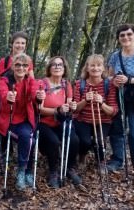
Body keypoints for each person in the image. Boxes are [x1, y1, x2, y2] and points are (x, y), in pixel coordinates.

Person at [108, 23, 134, 188]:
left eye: (129, 34)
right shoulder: (115, 56)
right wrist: (115, 81)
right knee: (116, 130)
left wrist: (131, 80)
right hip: (118, 97)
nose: (125, 37)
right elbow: (109, 77)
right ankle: (117, 159)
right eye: (122, 35)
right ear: (118, 38)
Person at [0, 53, 41, 191]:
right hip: (9, 120)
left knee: (28, 137)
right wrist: (8, 96)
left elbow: (34, 94)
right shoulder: (5, 81)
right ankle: (25, 171)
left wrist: (39, 97)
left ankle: (23, 170)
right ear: (13, 66)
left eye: (25, 65)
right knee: (28, 139)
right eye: (18, 65)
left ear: (28, 68)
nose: (21, 68)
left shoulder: (31, 81)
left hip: (25, 120)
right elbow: (3, 94)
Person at [37, 56, 81, 188]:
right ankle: (53, 172)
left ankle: (69, 168)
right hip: (44, 122)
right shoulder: (42, 84)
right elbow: (39, 109)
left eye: (60, 65)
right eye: (54, 65)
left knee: (74, 140)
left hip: (61, 121)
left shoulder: (66, 85)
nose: (57, 67)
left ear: (64, 68)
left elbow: (68, 106)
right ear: (49, 68)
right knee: (53, 141)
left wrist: (71, 107)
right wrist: (57, 110)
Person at [0, 31, 35, 163]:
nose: (20, 45)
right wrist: (5, 92)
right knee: (2, 120)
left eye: (23, 43)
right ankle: (5, 151)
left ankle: (20, 154)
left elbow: (32, 79)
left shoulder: (28, 60)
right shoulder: (4, 61)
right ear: (12, 44)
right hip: (5, 95)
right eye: (17, 42)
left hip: (22, 96)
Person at [73, 54, 118, 174]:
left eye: (99, 65)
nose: (95, 68)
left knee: (100, 140)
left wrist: (102, 103)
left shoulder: (109, 85)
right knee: (85, 141)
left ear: (103, 68)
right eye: (92, 65)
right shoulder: (79, 84)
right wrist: (85, 100)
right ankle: (82, 156)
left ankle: (101, 161)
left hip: (103, 120)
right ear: (87, 68)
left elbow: (113, 111)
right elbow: (75, 109)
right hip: (83, 120)